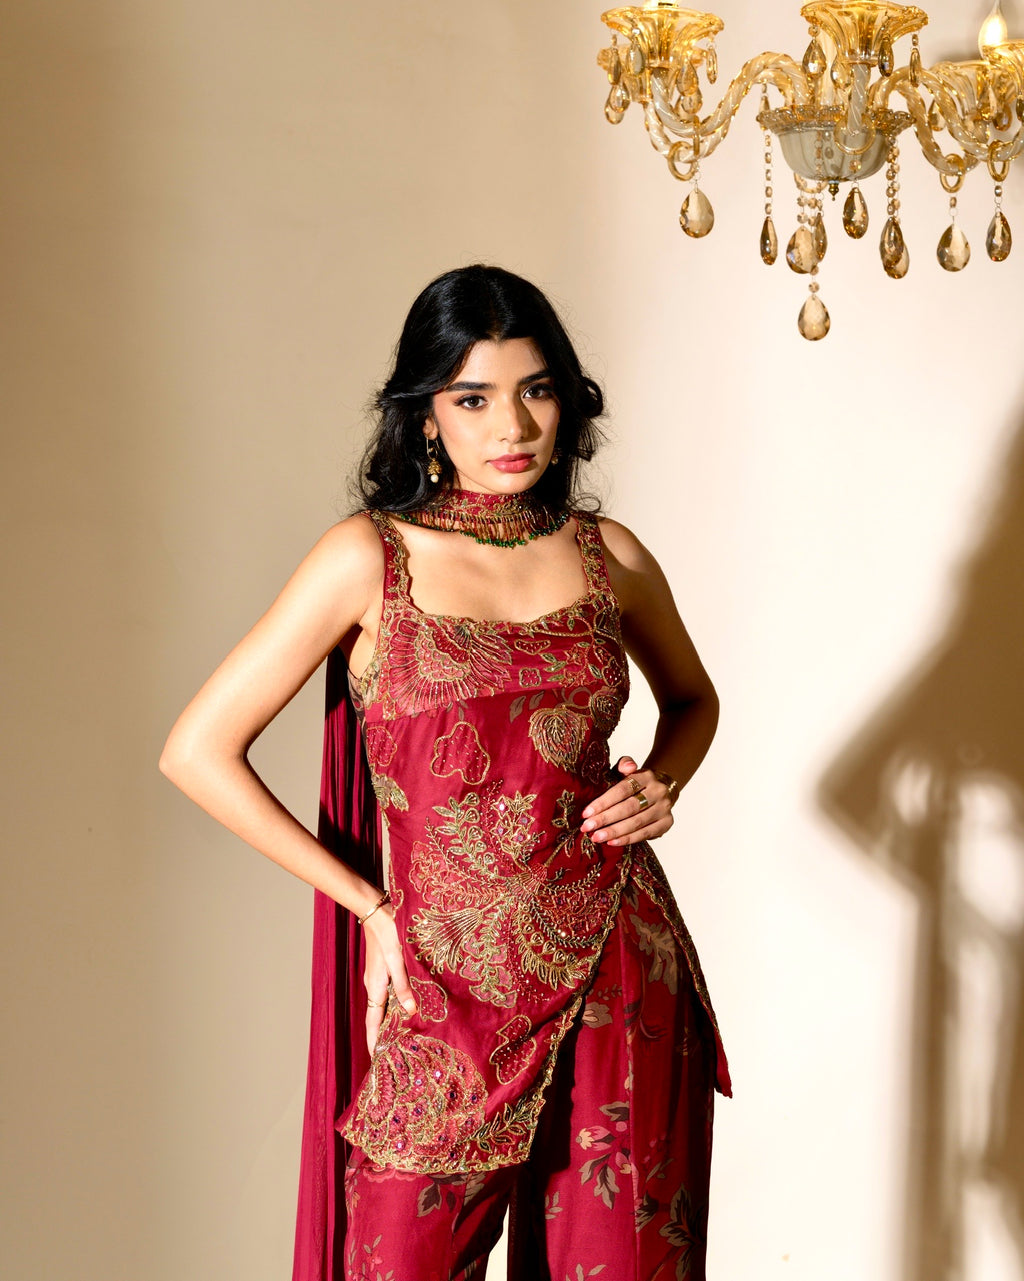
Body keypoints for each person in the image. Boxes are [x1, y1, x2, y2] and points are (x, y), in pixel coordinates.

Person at [159, 264, 731, 1281]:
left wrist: (664, 782)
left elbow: (694, 700)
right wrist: (369, 910)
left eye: (537, 388)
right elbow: (197, 751)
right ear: (426, 414)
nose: (512, 424)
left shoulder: (609, 557)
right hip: (443, 988)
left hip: (617, 968)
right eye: (473, 398)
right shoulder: (366, 559)